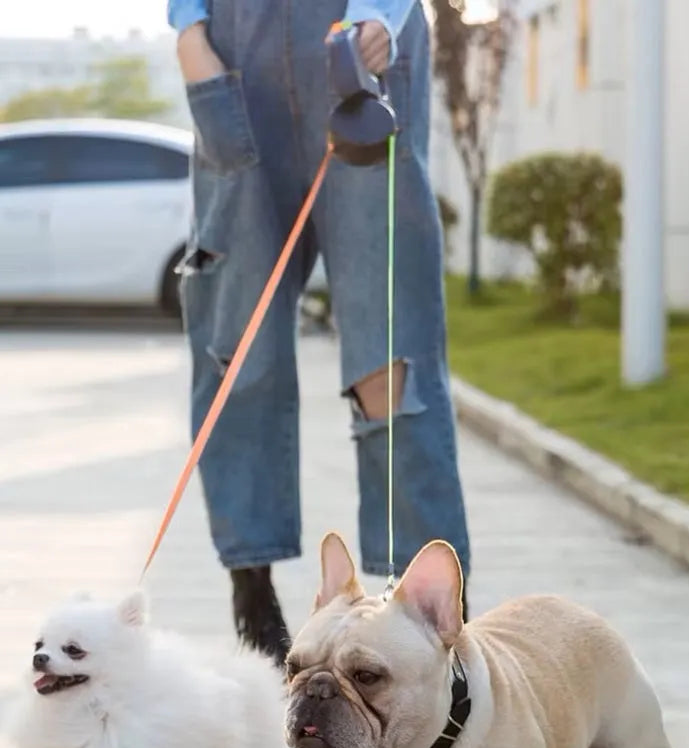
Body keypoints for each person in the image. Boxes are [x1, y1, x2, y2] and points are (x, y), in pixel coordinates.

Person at [169, 0, 470, 664]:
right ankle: (251, 580)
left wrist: (379, 15)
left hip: (356, 42)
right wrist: (189, 32)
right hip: (232, 52)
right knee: (236, 345)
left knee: (388, 356)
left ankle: (422, 606)